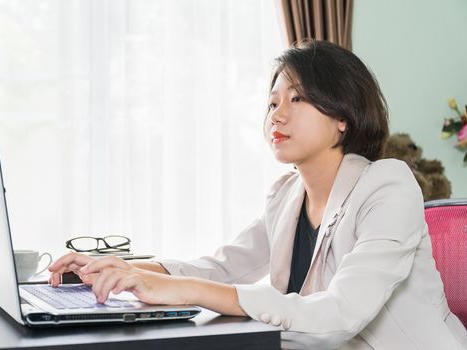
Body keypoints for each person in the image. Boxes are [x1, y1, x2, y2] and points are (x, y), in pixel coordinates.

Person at [49, 40, 467, 349]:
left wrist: (186, 291)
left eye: (298, 99)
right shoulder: (286, 195)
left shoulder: (388, 185)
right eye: (272, 103)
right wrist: (128, 269)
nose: (277, 115)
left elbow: (339, 314)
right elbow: (221, 269)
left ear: (342, 116)